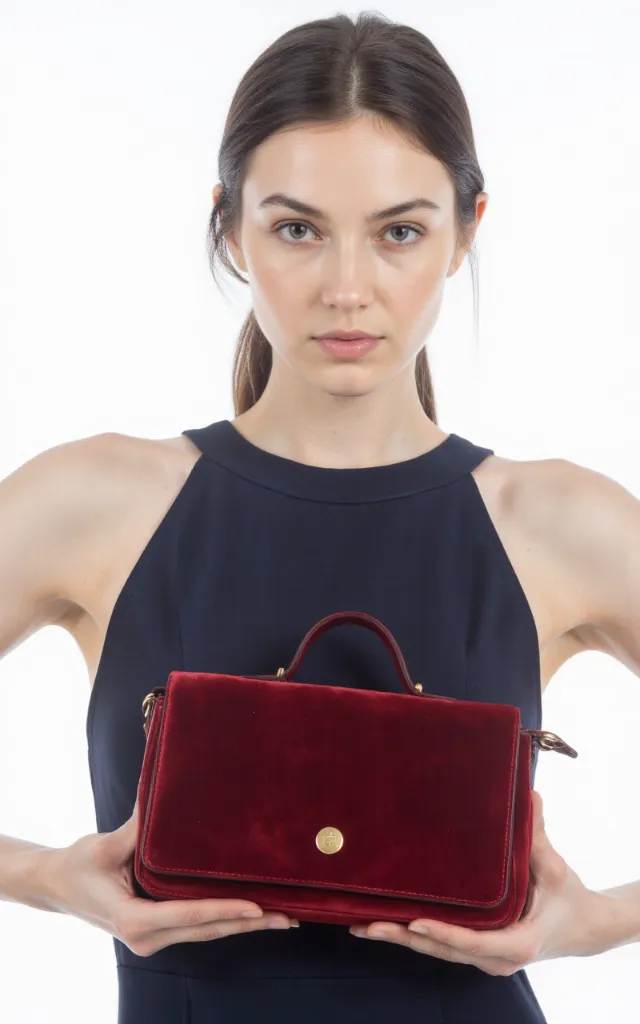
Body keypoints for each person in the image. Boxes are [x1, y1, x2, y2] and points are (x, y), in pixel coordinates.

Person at [1, 10, 640, 1023]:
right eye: (297, 228)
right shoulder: (95, 501)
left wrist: (599, 920)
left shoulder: (555, 520)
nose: (348, 289)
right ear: (230, 227)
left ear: (467, 231)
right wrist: (43, 877)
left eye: (399, 232)